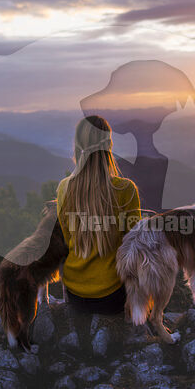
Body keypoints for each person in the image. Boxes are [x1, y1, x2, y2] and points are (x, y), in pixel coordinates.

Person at [57, 115, 141, 316]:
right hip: (111, 295)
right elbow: (135, 247)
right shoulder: (125, 189)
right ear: (109, 145)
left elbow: (67, 241)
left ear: (78, 146)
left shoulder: (64, 188)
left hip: (74, 291)